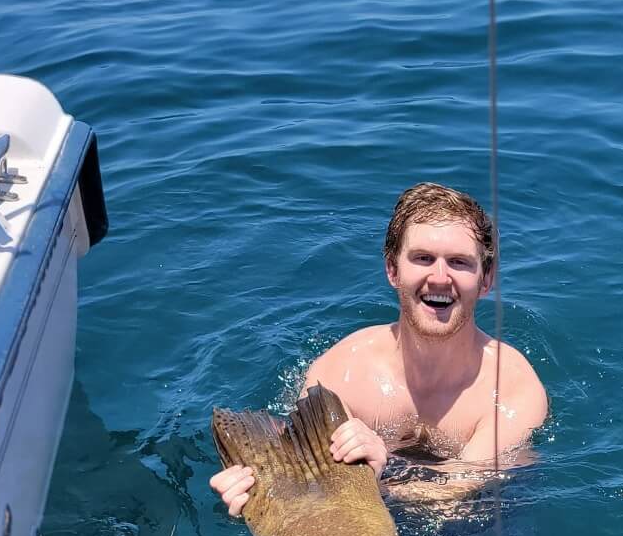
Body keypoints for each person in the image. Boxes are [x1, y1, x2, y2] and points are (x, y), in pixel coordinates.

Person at [211, 182, 548, 516]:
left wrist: (375, 478)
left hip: (477, 524)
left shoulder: (512, 390)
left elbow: (459, 494)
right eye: (423, 258)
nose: (440, 277)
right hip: (363, 517)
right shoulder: (341, 373)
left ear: (486, 280)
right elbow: (303, 468)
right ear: (392, 270)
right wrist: (258, 491)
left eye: (459, 262)